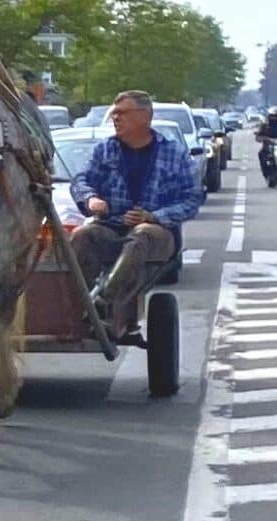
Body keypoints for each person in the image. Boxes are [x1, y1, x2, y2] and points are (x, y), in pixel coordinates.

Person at [70, 90, 201, 339]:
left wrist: (154, 216)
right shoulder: (105, 150)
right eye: (114, 114)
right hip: (111, 226)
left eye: (122, 114)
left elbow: (192, 199)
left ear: (145, 117)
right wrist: (90, 199)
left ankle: (104, 303)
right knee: (82, 235)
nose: (115, 119)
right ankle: (78, 306)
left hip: (159, 233)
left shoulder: (174, 153)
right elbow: (81, 180)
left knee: (141, 235)